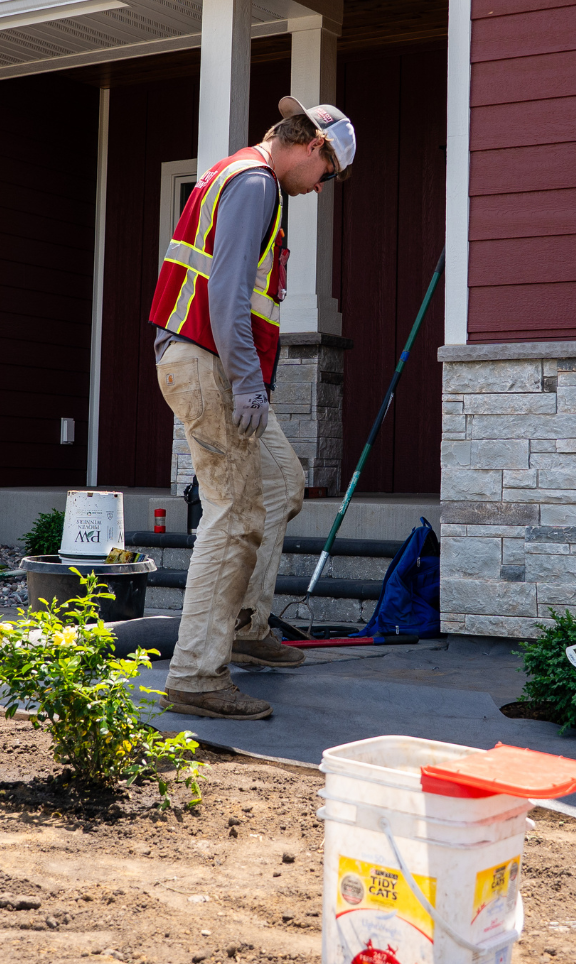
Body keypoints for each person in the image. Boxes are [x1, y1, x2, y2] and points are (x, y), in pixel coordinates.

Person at [150, 95, 357, 720]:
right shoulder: (256, 184)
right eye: (327, 175)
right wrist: (245, 383)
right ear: (314, 147)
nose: (320, 189)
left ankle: (244, 626)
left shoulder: (238, 174)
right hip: (209, 363)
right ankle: (195, 675)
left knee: (282, 486)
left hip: (214, 363)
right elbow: (229, 293)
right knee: (232, 515)